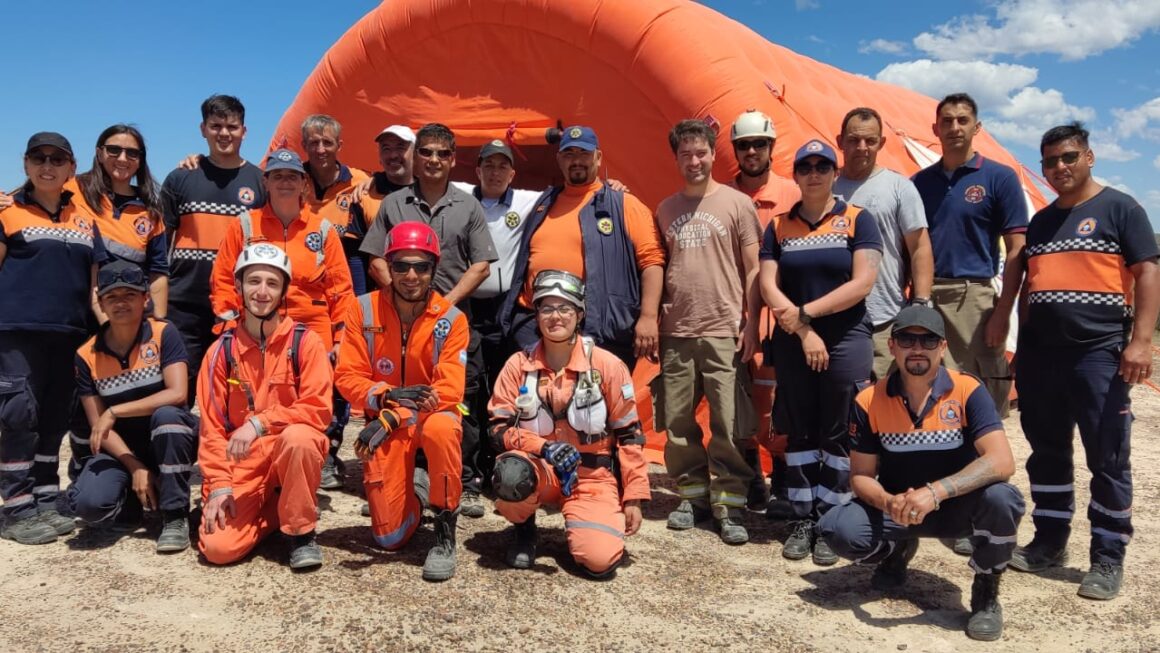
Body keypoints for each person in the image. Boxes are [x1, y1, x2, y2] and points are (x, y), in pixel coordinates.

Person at [1008, 122, 1160, 600]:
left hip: (1099, 355)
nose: (1060, 167)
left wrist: (1141, 342)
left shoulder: (1120, 208)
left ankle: (1107, 557)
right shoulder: (1042, 221)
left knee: (1107, 456)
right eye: (1051, 160)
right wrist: (1021, 345)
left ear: (1089, 157)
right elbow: (1031, 288)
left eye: (1069, 157)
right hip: (1042, 356)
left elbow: (1148, 273)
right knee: (1047, 451)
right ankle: (1049, 541)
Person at [818, 305, 1024, 642]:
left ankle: (986, 589)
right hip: (900, 509)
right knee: (837, 529)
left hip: (956, 506)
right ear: (892, 346)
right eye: (907, 340)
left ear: (943, 347)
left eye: (928, 340)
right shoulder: (869, 400)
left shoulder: (967, 389)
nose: (917, 349)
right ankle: (896, 551)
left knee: (1003, 499)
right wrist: (888, 502)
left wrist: (936, 492)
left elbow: (1002, 461)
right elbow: (860, 476)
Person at [358, 123, 497, 518]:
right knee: (399, 397)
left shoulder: (469, 206)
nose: (434, 159)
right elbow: (376, 259)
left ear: (453, 159)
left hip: (451, 327)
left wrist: (441, 309)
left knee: (458, 405)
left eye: (442, 153)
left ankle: (464, 482)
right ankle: (398, 479)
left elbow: (482, 265)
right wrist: (403, 303)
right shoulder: (393, 203)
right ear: (414, 158)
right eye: (427, 152)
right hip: (399, 327)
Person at [758, 139, 882, 565]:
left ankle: (832, 520)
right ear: (795, 175)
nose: (814, 173)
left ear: (834, 172)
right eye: (805, 166)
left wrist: (805, 317)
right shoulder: (777, 226)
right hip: (793, 339)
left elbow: (862, 282)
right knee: (800, 429)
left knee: (839, 429)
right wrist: (798, 327)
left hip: (845, 336)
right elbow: (768, 283)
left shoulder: (858, 220)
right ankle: (802, 517)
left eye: (822, 165)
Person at [208, 149, 356, 491]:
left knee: (314, 402)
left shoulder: (323, 230)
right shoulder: (245, 225)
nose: (285, 182)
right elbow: (223, 283)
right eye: (278, 176)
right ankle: (254, 459)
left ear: (304, 184)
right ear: (266, 182)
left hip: (311, 330)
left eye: (292, 176)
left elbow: (340, 289)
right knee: (257, 398)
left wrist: (339, 340)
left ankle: (319, 457)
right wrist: (232, 331)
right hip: (255, 329)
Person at [488, 270, 649, 577]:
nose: (555, 316)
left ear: (580, 313)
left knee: (600, 562)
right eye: (546, 308)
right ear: (536, 314)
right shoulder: (518, 365)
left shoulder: (607, 365)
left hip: (591, 478)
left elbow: (630, 436)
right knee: (509, 474)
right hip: (538, 469)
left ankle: (585, 524)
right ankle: (524, 528)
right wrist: (544, 447)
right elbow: (497, 430)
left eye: (565, 308)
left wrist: (634, 497)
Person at [336, 222, 470, 582]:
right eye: (401, 266)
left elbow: (450, 390)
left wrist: (395, 416)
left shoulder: (451, 319)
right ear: (387, 267)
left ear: (434, 269)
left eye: (421, 267)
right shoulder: (362, 311)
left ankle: (444, 532)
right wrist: (384, 396)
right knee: (388, 538)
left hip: (424, 417)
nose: (411, 275)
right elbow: (347, 377)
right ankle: (418, 491)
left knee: (444, 428)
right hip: (385, 419)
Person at [654, 120, 761, 544]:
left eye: (700, 153)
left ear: (714, 154)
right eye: (685, 154)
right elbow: (659, 267)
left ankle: (730, 502)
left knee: (729, 420)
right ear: (676, 157)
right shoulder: (665, 209)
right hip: (676, 329)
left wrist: (752, 322)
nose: (694, 161)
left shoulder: (736, 205)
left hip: (724, 328)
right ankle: (692, 496)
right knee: (677, 420)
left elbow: (753, 267)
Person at [197, 243, 332, 570]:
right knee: (218, 549)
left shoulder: (305, 343)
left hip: (289, 452)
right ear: (239, 287)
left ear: (284, 290)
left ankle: (300, 532)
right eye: (253, 281)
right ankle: (278, 509)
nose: (262, 291)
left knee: (299, 438)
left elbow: (318, 408)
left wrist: (259, 423)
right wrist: (219, 485)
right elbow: (211, 429)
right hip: (242, 462)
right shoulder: (220, 352)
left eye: (272, 283)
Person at [0, 132, 102, 545]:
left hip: (71, 334)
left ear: (70, 169)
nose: (47, 166)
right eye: (38, 158)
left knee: (55, 418)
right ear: (25, 164)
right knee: (18, 415)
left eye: (57, 160)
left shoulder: (83, 217)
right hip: (17, 332)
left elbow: (94, 284)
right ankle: (15, 507)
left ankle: (45, 495)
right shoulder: (8, 212)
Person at [499, 125, 666, 368]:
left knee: (595, 404)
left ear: (598, 157)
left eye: (584, 154)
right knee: (538, 403)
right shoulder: (542, 203)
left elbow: (652, 262)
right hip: (536, 327)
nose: (576, 161)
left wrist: (649, 317)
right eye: (569, 154)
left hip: (600, 331)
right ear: (558, 160)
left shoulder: (624, 204)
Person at [67, 261, 198, 552]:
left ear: (145, 298)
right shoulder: (85, 355)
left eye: (129, 294)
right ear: (100, 303)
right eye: (112, 297)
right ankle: (129, 496)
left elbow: (177, 394)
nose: (121, 303)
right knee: (88, 506)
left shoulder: (165, 333)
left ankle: (174, 514)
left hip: (166, 440)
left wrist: (115, 411)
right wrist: (135, 466)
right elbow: (98, 427)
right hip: (121, 452)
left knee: (168, 417)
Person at [912, 93, 1028, 418]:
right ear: (935, 128)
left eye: (962, 120)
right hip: (927, 294)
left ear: (977, 127)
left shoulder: (998, 177)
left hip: (973, 296)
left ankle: (988, 466)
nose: (954, 127)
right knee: (930, 391)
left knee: (980, 394)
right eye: (947, 121)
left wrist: (1003, 311)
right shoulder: (919, 183)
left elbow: (1018, 249)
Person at [161, 95, 267, 402]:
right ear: (203, 129)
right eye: (216, 125)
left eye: (231, 127)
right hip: (184, 305)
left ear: (244, 131)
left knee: (231, 391)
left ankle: (225, 450)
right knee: (180, 392)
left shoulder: (259, 181)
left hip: (236, 306)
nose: (224, 133)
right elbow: (160, 242)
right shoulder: (181, 176)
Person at [0, 125, 169, 316]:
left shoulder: (150, 211)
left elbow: (158, 272)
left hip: (124, 316)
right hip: (75, 313)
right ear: (99, 153)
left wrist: (158, 324)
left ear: (140, 160)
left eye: (132, 153)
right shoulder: (73, 187)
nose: (122, 158)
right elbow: (32, 192)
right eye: (114, 150)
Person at [727, 109, 802, 516]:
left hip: (781, 318)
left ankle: (787, 479)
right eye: (744, 145)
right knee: (740, 402)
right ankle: (752, 477)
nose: (751, 151)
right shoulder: (722, 196)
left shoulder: (793, 194)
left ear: (772, 146)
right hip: (733, 316)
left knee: (780, 402)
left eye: (759, 143)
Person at [833, 107, 933, 380]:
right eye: (853, 140)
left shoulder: (899, 187)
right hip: (833, 317)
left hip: (884, 316)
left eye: (870, 141)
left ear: (882, 143)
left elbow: (920, 247)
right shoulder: (824, 187)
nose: (862, 147)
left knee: (886, 399)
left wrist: (921, 302)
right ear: (840, 141)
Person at [299, 114, 372, 296]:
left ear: (339, 145)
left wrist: (376, 180)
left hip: (348, 264)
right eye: (314, 143)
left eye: (327, 142)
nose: (320, 150)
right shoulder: (294, 179)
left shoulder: (360, 180)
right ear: (304, 146)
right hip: (303, 263)